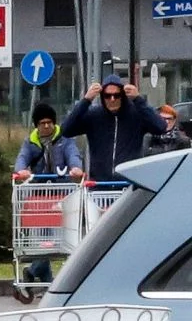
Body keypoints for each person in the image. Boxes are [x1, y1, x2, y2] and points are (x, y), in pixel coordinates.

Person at [15, 104, 88, 289]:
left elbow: (73, 155)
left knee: (55, 241)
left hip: (61, 198)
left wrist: (76, 168)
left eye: (49, 122)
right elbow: (22, 158)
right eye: (42, 123)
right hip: (39, 198)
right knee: (43, 242)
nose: (46, 126)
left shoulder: (64, 139)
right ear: (36, 125)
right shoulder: (30, 142)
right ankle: (48, 283)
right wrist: (21, 171)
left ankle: (32, 272)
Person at [62, 76, 166, 182]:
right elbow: (66, 130)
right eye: (107, 96)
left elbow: (160, 127)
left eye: (117, 95)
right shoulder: (94, 116)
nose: (112, 99)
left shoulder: (136, 115)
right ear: (102, 97)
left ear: (123, 96)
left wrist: (138, 99)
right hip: (100, 186)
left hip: (129, 185)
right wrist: (86, 100)